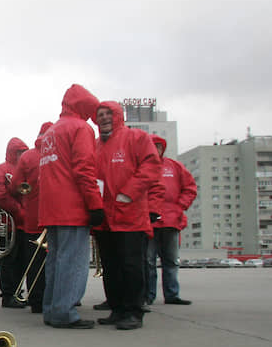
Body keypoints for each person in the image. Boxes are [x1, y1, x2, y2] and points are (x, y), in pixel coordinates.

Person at [38, 84, 104, 329]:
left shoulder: (52, 132)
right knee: (73, 261)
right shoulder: (81, 128)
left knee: (56, 259)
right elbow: (84, 169)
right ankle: (64, 312)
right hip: (72, 207)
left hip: (52, 207)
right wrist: (95, 204)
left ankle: (52, 309)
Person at [93, 101, 162, 330]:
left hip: (130, 215)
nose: (103, 118)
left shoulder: (136, 138)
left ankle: (134, 311)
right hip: (105, 218)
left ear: (117, 115)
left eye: (107, 114)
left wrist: (128, 193)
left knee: (131, 265)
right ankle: (117, 308)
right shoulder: (95, 145)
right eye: (99, 114)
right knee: (110, 266)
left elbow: (152, 166)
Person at [146, 134, 197, 305]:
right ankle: (148, 295)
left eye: (158, 146)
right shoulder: (142, 166)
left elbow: (190, 188)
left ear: (163, 148)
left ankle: (172, 294)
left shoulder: (175, 167)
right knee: (148, 261)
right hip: (149, 222)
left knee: (171, 261)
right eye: (152, 146)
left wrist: (179, 207)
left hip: (171, 222)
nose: (155, 150)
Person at [13, 122, 53, 313]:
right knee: (55, 260)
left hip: (32, 218)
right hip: (55, 217)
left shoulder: (28, 156)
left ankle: (36, 300)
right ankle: (55, 298)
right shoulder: (58, 152)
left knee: (34, 262)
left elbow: (15, 185)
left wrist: (24, 199)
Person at [0, 137, 29, 308]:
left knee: (21, 261)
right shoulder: (1, 169)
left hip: (24, 223)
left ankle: (17, 292)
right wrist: (18, 210)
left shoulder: (26, 169)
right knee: (8, 261)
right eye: (19, 152)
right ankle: (8, 295)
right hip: (9, 223)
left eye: (23, 152)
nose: (22, 155)